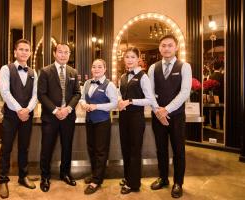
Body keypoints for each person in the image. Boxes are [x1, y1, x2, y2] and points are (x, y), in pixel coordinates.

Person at [148, 34, 192, 198]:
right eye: (163, 45)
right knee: (161, 149)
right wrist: (158, 111)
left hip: (177, 116)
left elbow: (185, 92)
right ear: (160, 48)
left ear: (176, 47)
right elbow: (150, 93)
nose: (166, 48)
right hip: (158, 115)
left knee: (179, 150)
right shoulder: (153, 67)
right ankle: (163, 178)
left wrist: (166, 110)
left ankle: (178, 182)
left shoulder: (184, 66)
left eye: (170, 45)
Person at [38, 43, 81, 192]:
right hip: (50, 117)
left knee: (67, 147)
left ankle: (65, 173)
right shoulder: (45, 71)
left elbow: (77, 93)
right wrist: (56, 110)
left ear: (69, 54)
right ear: (55, 53)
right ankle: (45, 176)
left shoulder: (73, 72)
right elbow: (41, 94)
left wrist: (68, 109)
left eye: (66, 52)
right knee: (47, 148)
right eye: (60, 52)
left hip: (68, 117)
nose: (63, 55)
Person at [0, 39, 37, 199]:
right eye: (21, 49)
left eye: (27, 50)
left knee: (24, 147)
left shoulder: (34, 73)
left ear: (30, 53)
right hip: (10, 115)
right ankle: (3, 180)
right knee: (6, 148)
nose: (24, 52)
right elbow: (5, 92)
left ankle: (23, 176)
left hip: (27, 115)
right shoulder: (6, 69)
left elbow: (35, 95)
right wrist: (19, 109)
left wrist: (27, 109)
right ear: (15, 52)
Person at [118, 47, 159, 194]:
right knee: (125, 148)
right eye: (127, 57)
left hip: (136, 118)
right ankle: (128, 177)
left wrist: (130, 101)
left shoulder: (143, 77)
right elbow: (120, 94)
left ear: (138, 59)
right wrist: (119, 100)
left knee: (135, 150)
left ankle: (134, 184)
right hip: (123, 117)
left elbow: (149, 99)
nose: (129, 60)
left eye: (132, 57)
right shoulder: (122, 77)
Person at [79, 59, 118, 195]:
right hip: (89, 120)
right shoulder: (87, 83)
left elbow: (114, 104)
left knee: (101, 151)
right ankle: (95, 173)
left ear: (105, 69)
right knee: (91, 148)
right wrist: (83, 104)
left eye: (99, 67)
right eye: (94, 67)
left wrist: (97, 106)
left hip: (102, 121)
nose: (96, 69)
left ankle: (96, 181)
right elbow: (82, 97)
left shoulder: (110, 85)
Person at [209, 61, 224, 129]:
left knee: (213, 109)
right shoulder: (222, 76)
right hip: (221, 94)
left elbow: (209, 86)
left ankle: (213, 125)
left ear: (214, 67)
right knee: (221, 110)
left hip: (213, 94)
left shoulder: (211, 76)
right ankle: (221, 125)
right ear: (220, 68)